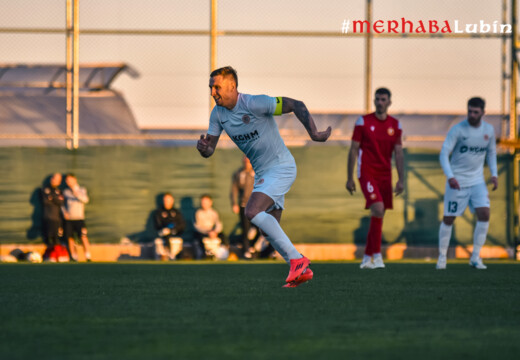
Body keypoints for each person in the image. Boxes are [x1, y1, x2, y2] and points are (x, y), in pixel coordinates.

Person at [197, 66, 331, 287]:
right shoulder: (218, 114)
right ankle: (301, 271)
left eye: (217, 87)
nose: (213, 92)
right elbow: (209, 149)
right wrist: (203, 148)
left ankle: (298, 259)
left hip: (281, 167)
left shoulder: (255, 103)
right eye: (211, 88)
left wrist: (314, 134)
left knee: (252, 211)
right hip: (263, 174)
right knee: (267, 227)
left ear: (232, 86)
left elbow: (296, 105)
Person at [436, 97, 498, 270]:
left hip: (477, 181)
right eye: (469, 111)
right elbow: (444, 154)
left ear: (483, 113)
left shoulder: (489, 130)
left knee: (484, 214)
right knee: (449, 218)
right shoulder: (458, 130)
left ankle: (475, 257)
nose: (472, 115)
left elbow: (491, 153)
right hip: (457, 182)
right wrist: (450, 176)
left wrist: (494, 174)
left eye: (475, 112)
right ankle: (442, 257)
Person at [346, 88, 404, 269]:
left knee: (379, 215)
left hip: (385, 174)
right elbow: (354, 149)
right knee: (378, 209)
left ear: (389, 102)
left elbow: (399, 153)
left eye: (383, 99)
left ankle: (367, 258)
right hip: (367, 173)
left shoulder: (396, 125)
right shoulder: (363, 122)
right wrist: (350, 177)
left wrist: (401, 179)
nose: (379, 102)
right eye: (377, 99)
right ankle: (377, 256)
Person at [230, 156, 257, 258]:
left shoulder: (256, 173)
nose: (247, 164)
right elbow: (234, 190)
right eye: (245, 161)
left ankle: (253, 245)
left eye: (249, 162)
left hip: (256, 205)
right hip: (244, 205)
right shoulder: (239, 173)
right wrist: (234, 203)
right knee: (245, 228)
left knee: (259, 227)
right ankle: (246, 250)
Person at [62, 173, 91, 262]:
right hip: (69, 219)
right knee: (70, 238)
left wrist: (75, 192)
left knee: (83, 237)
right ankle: (73, 257)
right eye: (67, 180)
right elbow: (62, 204)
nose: (69, 182)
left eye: (70, 180)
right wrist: (64, 212)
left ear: (75, 180)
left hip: (79, 218)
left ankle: (88, 256)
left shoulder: (81, 190)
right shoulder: (65, 192)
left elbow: (85, 200)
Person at [153, 193, 186, 260]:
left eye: (168, 200)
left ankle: (174, 255)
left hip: (175, 233)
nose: (167, 202)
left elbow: (182, 225)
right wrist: (164, 230)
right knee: (163, 236)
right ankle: (166, 254)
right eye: (165, 200)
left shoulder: (176, 212)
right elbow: (157, 225)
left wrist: (172, 230)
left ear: (172, 200)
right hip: (163, 234)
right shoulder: (159, 212)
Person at [193, 194, 226, 258]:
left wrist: (215, 232)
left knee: (223, 236)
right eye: (203, 202)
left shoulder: (214, 212)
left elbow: (219, 224)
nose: (204, 204)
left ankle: (223, 253)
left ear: (210, 203)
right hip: (203, 233)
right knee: (198, 237)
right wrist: (207, 232)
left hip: (213, 232)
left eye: (206, 202)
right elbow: (197, 226)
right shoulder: (198, 213)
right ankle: (204, 254)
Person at [41, 173, 64, 247]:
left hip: (57, 218)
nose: (54, 180)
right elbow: (46, 201)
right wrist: (56, 198)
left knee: (57, 238)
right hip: (49, 217)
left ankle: (56, 254)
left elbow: (60, 202)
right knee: (48, 237)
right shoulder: (46, 189)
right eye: (54, 178)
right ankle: (50, 255)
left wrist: (52, 197)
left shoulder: (59, 191)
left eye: (57, 179)